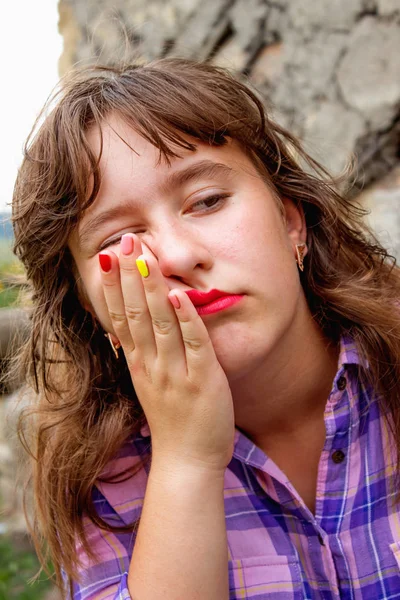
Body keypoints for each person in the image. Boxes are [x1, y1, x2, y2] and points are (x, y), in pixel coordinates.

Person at [12, 58, 400, 600]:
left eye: (208, 201)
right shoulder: (104, 481)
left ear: (291, 222)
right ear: (90, 309)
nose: (176, 255)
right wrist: (185, 459)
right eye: (119, 241)